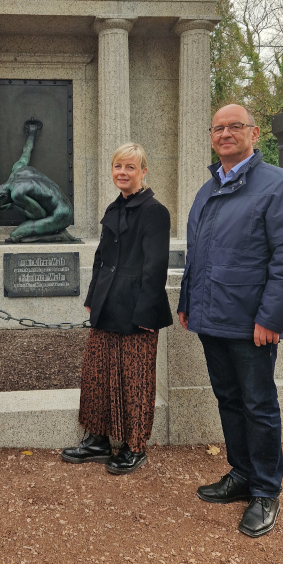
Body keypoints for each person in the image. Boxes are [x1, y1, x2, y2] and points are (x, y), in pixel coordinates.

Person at [178, 104, 283, 537]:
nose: (225, 134)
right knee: (230, 400)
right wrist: (187, 301)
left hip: (252, 323)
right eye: (218, 127)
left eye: (234, 127)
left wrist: (272, 317)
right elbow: (197, 254)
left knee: (258, 405)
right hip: (211, 319)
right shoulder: (207, 190)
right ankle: (240, 474)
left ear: (254, 133)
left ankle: (265, 492)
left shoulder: (279, 185)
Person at [62, 143, 173, 474]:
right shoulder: (114, 207)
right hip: (107, 303)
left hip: (136, 307)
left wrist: (147, 312)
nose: (122, 173)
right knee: (97, 373)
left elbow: (156, 266)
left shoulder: (154, 211)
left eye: (130, 167)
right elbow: (101, 258)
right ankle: (97, 440)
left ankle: (134, 446)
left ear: (143, 171)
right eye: (117, 167)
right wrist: (92, 298)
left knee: (134, 378)